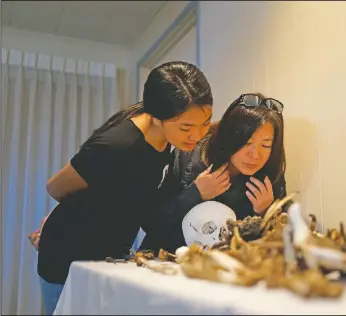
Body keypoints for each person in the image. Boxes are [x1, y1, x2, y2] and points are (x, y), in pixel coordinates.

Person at [30, 61, 214, 315]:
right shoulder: (117, 145)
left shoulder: (167, 140)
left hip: (105, 254)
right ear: (157, 117)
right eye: (187, 128)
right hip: (68, 254)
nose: (197, 135)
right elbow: (56, 187)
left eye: (205, 123)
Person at [140, 92, 288, 253]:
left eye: (265, 146)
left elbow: (280, 245)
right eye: (247, 143)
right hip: (165, 261)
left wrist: (268, 212)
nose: (255, 155)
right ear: (230, 137)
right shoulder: (193, 155)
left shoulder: (270, 176)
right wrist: (195, 193)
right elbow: (153, 224)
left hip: (226, 268)